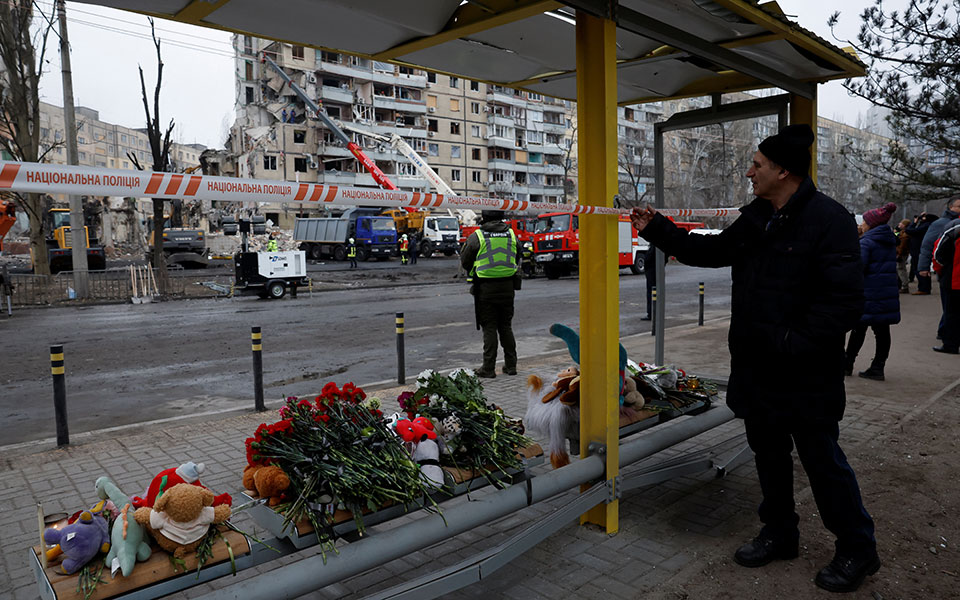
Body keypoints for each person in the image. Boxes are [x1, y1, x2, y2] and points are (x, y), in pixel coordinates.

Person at [630, 124, 879, 594]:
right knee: (769, 455)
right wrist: (657, 228)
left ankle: (857, 548)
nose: (750, 173)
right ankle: (780, 533)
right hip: (757, 368)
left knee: (823, 462)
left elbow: (844, 305)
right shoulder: (758, 216)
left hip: (805, 374)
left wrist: (789, 341)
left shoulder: (830, 220)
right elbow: (711, 251)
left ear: (783, 171)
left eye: (758, 165)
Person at [460, 210, 520, 378]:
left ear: (484, 219)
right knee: (506, 326)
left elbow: (465, 261)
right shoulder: (512, 235)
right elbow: (518, 255)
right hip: (508, 287)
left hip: (485, 288)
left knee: (490, 327)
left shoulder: (477, 236)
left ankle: (488, 368)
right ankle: (511, 366)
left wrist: (476, 270)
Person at [845, 203, 901, 380]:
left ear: (871, 224)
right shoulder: (888, 240)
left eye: (864, 222)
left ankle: (847, 364)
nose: (862, 224)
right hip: (885, 292)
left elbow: (858, 268)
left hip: (868, 293)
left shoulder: (867, 242)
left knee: (858, 329)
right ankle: (878, 367)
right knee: (882, 331)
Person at [917, 195, 960, 341]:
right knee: (949, 307)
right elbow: (928, 246)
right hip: (947, 272)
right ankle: (945, 333)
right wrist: (924, 267)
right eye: (959, 206)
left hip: (953, 272)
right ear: (950, 207)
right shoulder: (941, 224)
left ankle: (946, 332)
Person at [931, 219, 960, 353]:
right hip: (952, 276)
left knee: (951, 312)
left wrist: (941, 270)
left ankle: (950, 344)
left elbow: (938, 251)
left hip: (954, 278)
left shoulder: (954, 227)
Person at [906, 213, 936, 291]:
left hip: (918, 250)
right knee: (918, 268)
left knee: (920, 269)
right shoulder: (927, 225)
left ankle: (923, 288)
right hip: (918, 250)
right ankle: (924, 287)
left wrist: (914, 222)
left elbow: (909, 230)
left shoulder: (925, 226)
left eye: (923, 217)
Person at [894, 218, 911, 293]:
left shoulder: (904, 235)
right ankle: (902, 284)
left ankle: (904, 286)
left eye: (901, 223)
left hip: (901, 254)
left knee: (900, 269)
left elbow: (901, 246)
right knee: (901, 269)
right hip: (902, 253)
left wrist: (899, 255)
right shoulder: (901, 232)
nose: (899, 224)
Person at [640, 244, 656, 321]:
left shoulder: (656, 246)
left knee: (652, 292)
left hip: (653, 272)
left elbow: (649, 257)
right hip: (653, 271)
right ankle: (652, 313)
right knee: (652, 292)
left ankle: (651, 314)